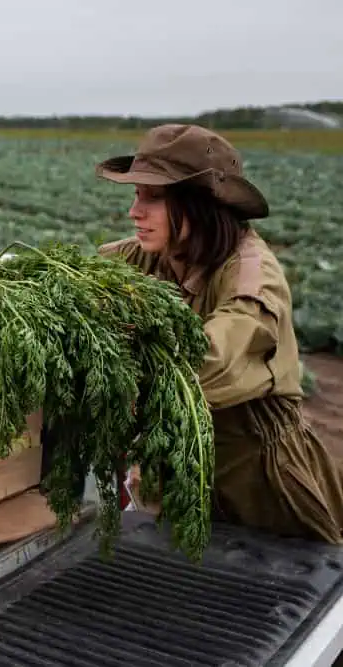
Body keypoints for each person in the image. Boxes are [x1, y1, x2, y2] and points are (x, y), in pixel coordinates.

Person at [95, 123, 343, 544]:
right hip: (177, 475)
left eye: (152, 197)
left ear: (200, 204)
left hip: (261, 489)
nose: (134, 211)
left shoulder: (252, 277)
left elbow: (209, 361)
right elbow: (83, 286)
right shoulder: (151, 254)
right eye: (136, 194)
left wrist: (106, 369)